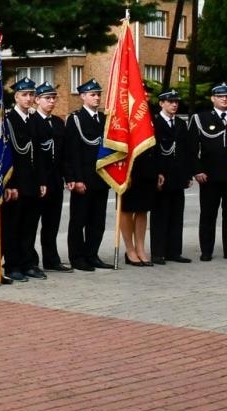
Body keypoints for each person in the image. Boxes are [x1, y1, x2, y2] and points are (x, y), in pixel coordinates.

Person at [63, 80, 113, 271]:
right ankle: (77, 257)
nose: (97, 97)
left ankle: (92, 254)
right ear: (82, 96)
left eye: (98, 94)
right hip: (83, 178)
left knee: (97, 221)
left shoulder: (103, 119)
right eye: (92, 94)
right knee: (79, 220)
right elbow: (71, 152)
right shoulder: (75, 119)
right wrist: (74, 179)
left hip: (101, 178)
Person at [192, 83, 227, 262]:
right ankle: (206, 250)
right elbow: (192, 147)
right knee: (208, 214)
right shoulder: (201, 118)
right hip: (209, 175)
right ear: (213, 98)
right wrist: (197, 170)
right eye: (221, 96)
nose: (225, 99)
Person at [2, 79, 47, 282]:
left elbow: (39, 154)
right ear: (16, 97)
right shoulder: (8, 120)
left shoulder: (35, 120)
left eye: (31, 95)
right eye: (24, 95)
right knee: (13, 226)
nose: (28, 99)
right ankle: (12, 265)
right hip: (16, 183)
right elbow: (6, 155)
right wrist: (9, 184)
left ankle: (28, 262)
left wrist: (42, 181)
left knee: (30, 226)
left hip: (32, 182)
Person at [149, 90, 193, 264]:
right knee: (160, 215)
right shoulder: (154, 123)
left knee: (177, 215)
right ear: (161, 103)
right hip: (162, 175)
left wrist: (188, 174)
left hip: (178, 176)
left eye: (176, 101)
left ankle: (174, 251)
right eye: (170, 101)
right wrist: (156, 173)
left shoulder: (181, 124)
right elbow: (153, 151)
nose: (174, 104)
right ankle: (158, 252)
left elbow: (186, 150)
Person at [31, 85, 71, 271]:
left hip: (55, 181)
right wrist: (40, 181)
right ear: (37, 100)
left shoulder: (57, 122)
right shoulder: (32, 121)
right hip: (39, 181)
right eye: (47, 98)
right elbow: (34, 156)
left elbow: (63, 154)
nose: (51, 101)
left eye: (54, 98)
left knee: (52, 223)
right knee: (31, 224)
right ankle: (30, 260)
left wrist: (68, 176)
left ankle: (51, 259)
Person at [114, 125, 160, 267]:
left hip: (147, 167)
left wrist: (157, 170)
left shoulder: (146, 113)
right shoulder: (123, 110)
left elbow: (153, 142)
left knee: (142, 209)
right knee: (127, 209)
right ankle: (130, 250)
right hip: (128, 168)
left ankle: (140, 248)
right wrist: (122, 171)